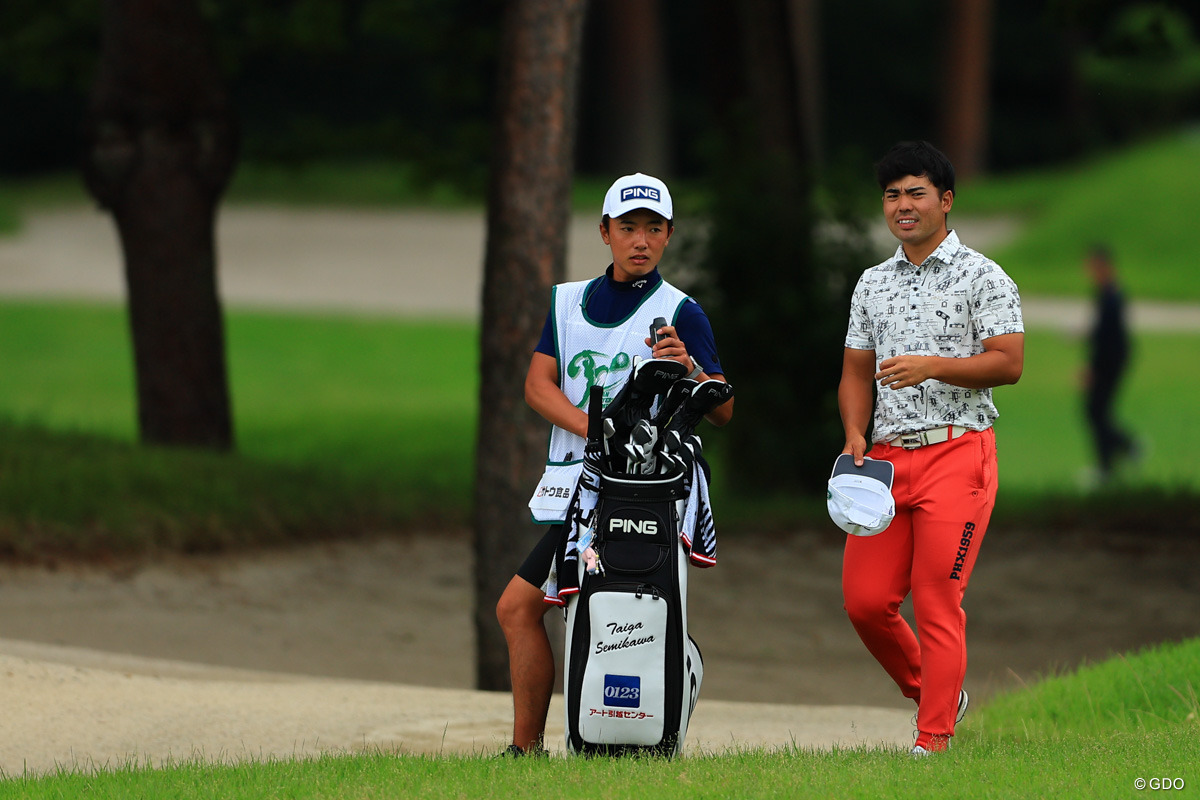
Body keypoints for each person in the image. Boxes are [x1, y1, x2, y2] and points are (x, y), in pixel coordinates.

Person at [495, 172, 734, 756]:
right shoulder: (568, 301)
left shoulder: (681, 311)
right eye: (627, 227)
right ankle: (543, 745)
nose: (640, 240)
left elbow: (723, 409)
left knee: (560, 609)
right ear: (604, 231)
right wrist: (593, 428)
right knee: (530, 609)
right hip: (573, 490)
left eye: (654, 229)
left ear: (669, 236)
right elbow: (536, 385)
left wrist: (693, 370)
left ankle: (574, 741)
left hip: (636, 494)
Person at [836, 141, 1024, 756]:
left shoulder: (983, 275)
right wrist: (855, 432)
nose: (903, 206)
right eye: (892, 195)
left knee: (939, 599)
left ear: (946, 201)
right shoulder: (873, 283)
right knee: (866, 603)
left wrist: (933, 368)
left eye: (916, 193)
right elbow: (856, 371)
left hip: (958, 454)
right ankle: (935, 691)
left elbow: (1009, 363)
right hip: (885, 463)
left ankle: (933, 740)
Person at [1082, 244, 1136, 483]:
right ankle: (1119, 453)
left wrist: (1092, 369)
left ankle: (1123, 451)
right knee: (1097, 412)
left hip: (1110, 363)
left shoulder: (1111, 297)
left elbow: (1109, 339)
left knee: (1096, 411)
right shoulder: (1107, 292)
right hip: (1112, 360)